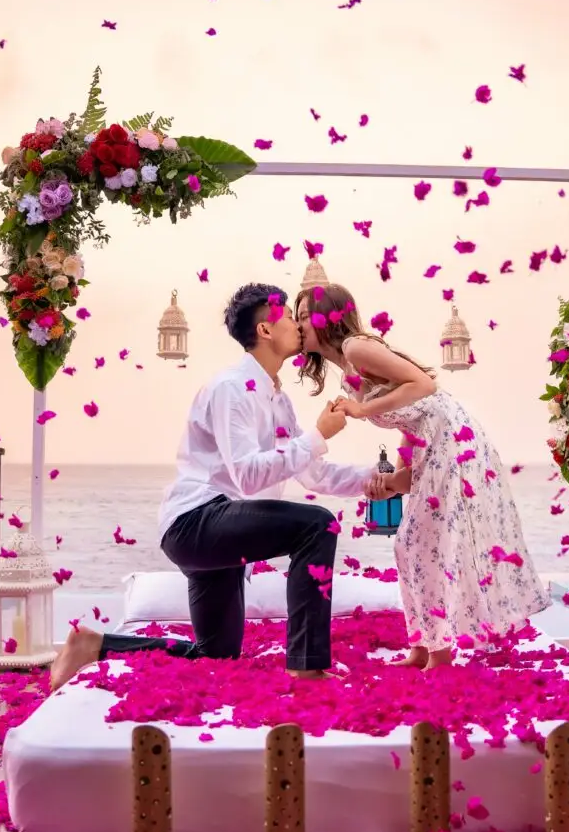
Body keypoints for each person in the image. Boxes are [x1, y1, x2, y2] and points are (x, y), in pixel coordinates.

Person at [50, 283, 377, 691]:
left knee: (215, 653)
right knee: (318, 525)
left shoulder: (278, 401)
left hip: (221, 534)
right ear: (266, 330)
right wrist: (317, 435)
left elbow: (314, 474)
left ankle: (93, 644)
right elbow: (247, 475)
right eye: (289, 316)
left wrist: (377, 481)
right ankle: (307, 665)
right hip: (196, 521)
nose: (299, 322)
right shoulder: (231, 388)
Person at [295, 283, 551, 671]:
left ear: (325, 317)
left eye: (301, 318)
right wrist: (399, 475)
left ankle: (440, 653)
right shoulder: (347, 369)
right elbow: (412, 417)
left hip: (452, 439)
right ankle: (425, 646)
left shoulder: (356, 348)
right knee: (411, 545)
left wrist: (363, 411)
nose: (297, 327)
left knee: (428, 543)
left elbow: (425, 386)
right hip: (430, 443)